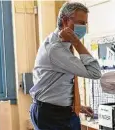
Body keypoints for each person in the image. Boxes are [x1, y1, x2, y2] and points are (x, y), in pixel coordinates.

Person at [29, 2, 101, 130]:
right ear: (65, 21)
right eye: (80, 22)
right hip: (51, 114)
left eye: (85, 23)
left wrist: (77, 106)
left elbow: (60, 84)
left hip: (61, 110)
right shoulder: (55, 49)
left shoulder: (64, 45)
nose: (84, 27)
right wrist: (76, 41)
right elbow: (95, 72)